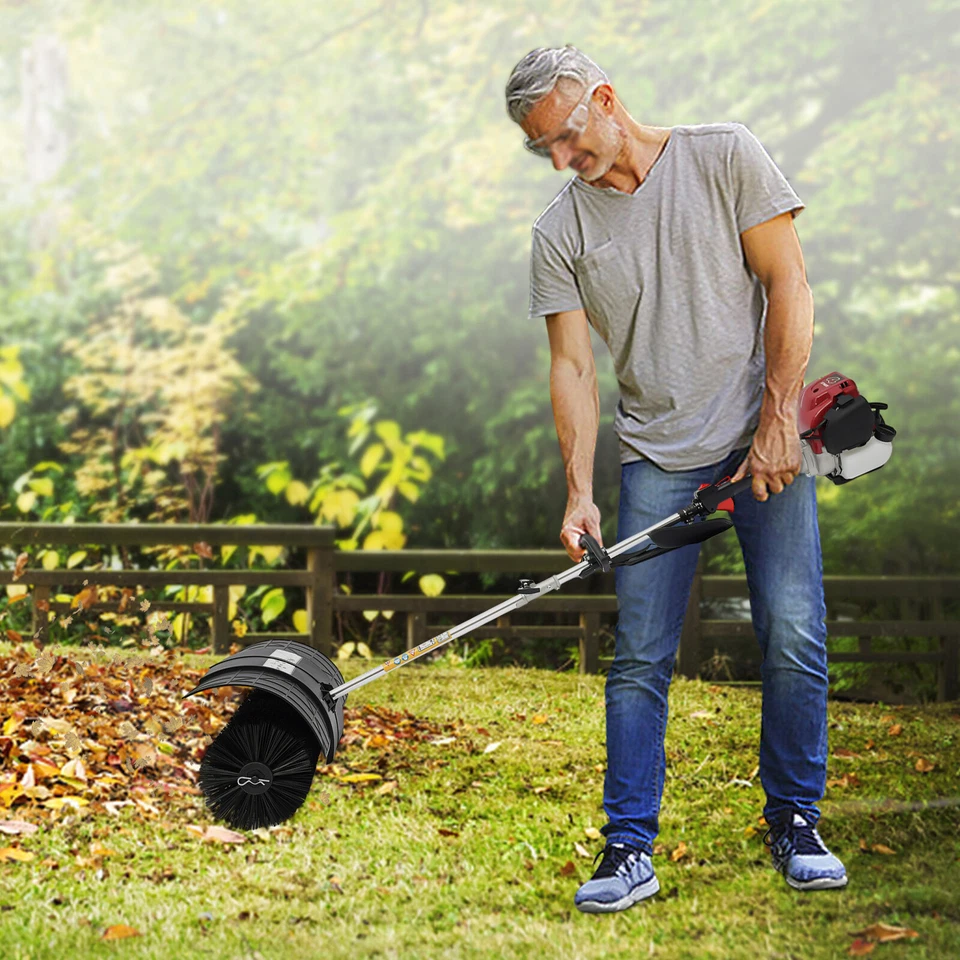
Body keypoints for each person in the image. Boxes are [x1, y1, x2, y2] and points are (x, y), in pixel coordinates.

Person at [504, 45, 848, 913]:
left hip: (759, 444)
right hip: (656, 457)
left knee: (794, 632)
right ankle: (628, 848)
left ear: (607, 100)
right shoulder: (561, 231)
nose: (559, 160)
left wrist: (776, 422)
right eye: (540, 148)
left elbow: (789, 283)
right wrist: (579, 491)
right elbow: (573, 369)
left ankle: (796, 819)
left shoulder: (724, 155)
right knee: (640, 660)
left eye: (566, 137)